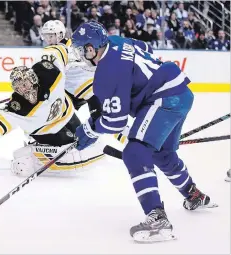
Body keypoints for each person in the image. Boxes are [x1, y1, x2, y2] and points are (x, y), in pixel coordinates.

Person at [71, 21, 218, 243]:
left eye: (81, 50)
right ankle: (193, 195)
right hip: (180, 93)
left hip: (163, 98)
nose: (80, 55)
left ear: (91, 49)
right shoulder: (116, 41)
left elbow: (115, 122)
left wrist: (90, 129)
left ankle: (157, 218)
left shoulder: (106, 72)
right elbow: (146, 49)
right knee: (161, 155)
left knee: (134, 152)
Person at [0, 43, 106, 177]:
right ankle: (31, 155)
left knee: (91, 146)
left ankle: (34, 154)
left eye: (26, 83)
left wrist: (79, 53)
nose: (25, 89)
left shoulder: (50, 70)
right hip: (48, 134)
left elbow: (59, 49)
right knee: (74, 159)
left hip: (68, 116)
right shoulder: (17, 107)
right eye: (20, 87)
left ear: (34, 78)